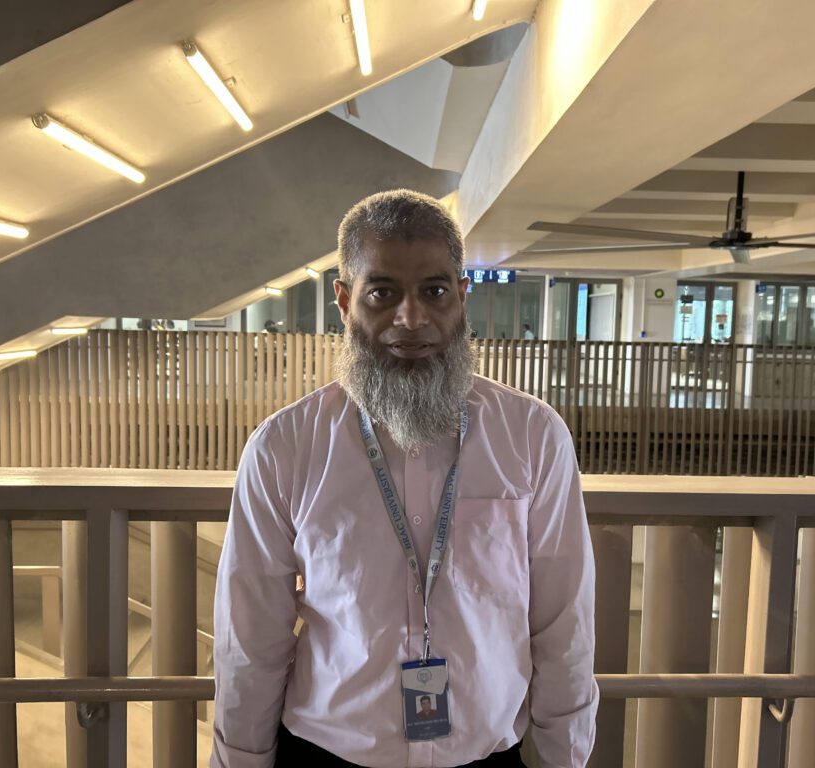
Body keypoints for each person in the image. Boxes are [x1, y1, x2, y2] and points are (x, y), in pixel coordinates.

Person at [211, 189, 598, 768]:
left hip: (488, 753)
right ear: (345, 300)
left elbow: (565, 622)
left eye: (434, 291)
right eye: (383, 292)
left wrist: (563, 757)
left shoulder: (533, 436)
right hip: (328, 751)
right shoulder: (285, 447)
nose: (411, 319)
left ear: (461, 296)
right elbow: (251, 637)